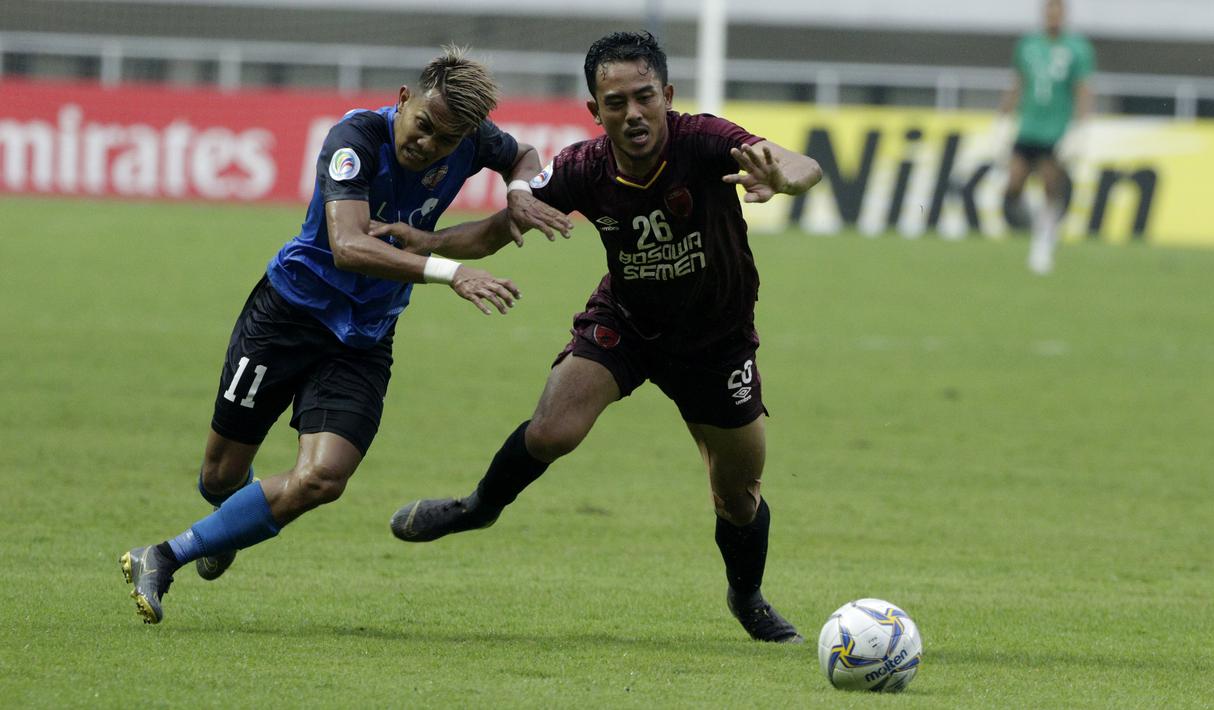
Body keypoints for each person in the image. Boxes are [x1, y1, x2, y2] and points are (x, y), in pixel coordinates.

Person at [389, 31, 822, 643]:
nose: (633, 113)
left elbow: (802, 164)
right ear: (596, 110)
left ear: (667, 95)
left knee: (738, 497)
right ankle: (478, 507)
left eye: (645, 97)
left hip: (717, 343)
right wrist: (429, 243)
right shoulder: (582, 168)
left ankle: (747, 597)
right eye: (615, 103)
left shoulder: (705, 141)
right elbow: (498, 229)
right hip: (626, 323)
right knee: (552, 431)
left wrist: (784, 179)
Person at [119, 45, 573, 624]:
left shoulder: (471, 137)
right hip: (288, 317)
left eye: (446, 140)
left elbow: (525, 155)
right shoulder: (354, 139)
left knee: (324, 478)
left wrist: (518, 193)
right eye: (423, 126)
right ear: (403, 99)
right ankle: (224, 525)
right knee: (220, 477)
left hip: (364, 338)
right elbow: (349, 246)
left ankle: (163, 556)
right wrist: (451, 271)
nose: (429, 144)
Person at [998, 0, 1095, 274]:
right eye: (1050, 11)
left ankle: (1042, 244)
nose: (1053, 17)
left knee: (1050, 186)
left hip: (1056, 129)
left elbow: (1083, 89)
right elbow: (1018, 83)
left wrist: (1081, 127)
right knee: (1014, 184)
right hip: (1028, 126)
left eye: (1058, 12)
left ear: (1064, 14)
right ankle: (1038, 228)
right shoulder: (1028, 45)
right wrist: (1002, 118)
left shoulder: (1078, 48)